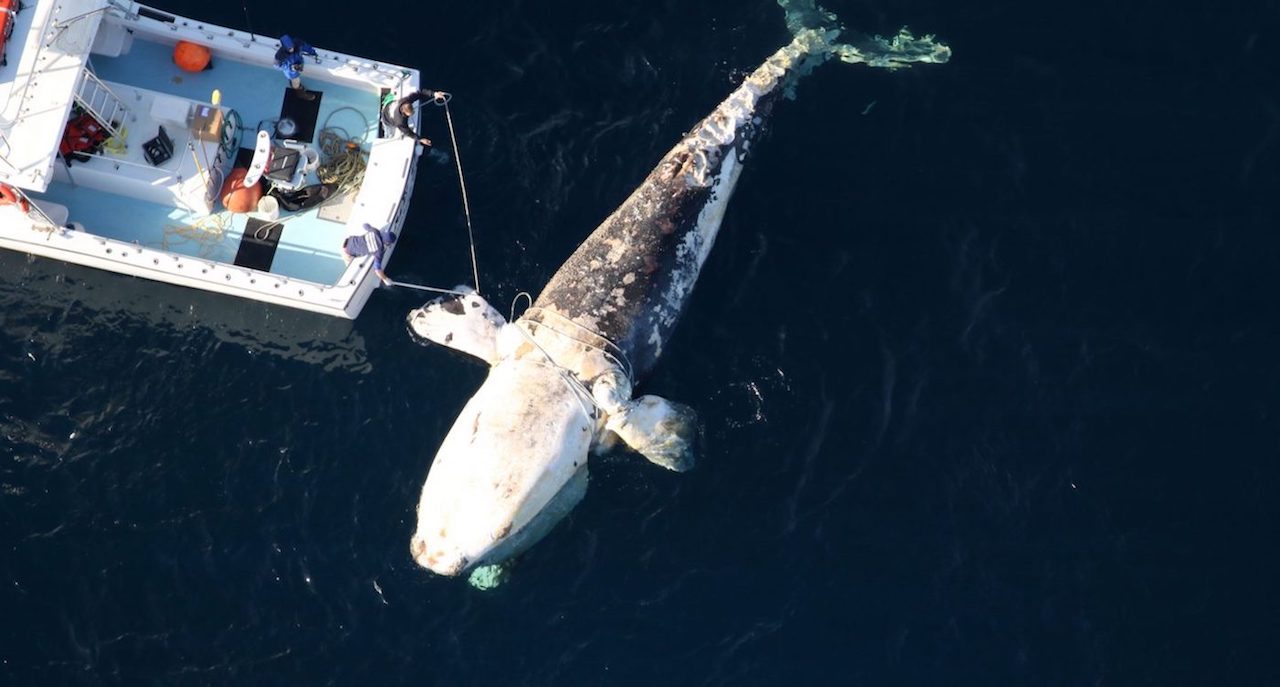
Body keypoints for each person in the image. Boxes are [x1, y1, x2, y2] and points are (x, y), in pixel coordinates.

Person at [382, 90, 447, 148]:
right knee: (389, 134)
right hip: (387, 119)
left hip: (389, 107)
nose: (413, 113)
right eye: (411, 113)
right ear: (404, 112)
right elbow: (408, 132)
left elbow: (420, 93)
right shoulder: (400, 121)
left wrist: (434, 94)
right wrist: (420, 139)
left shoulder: (406, 100)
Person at [274, 34, 319, 100]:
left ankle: (294, 83)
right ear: (284, 47)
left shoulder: (298, 43)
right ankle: (300, 92)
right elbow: (277, 65)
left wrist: (313, 52)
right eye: (289, 48)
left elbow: (306, 46)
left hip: (299, 62)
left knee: (297, 75)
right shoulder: (280, 55)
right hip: (290, 71)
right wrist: (290, 67)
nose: (291, 49)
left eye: (292, 46)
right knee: (296, 80)